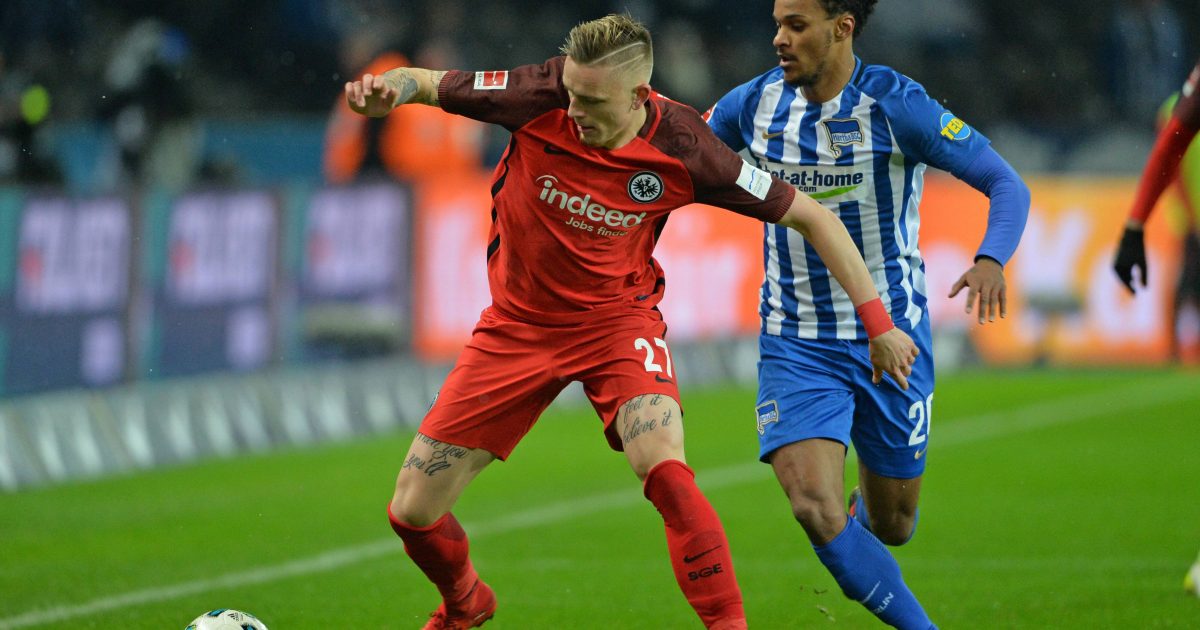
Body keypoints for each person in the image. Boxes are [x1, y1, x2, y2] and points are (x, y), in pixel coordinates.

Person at [345, 13, 918, 630]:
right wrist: (388, 92)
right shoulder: (534, 94)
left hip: (617, 326)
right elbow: (424, 81)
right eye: (571, 94)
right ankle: (466, 604)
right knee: (410, 512)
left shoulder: (686, 145)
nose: (576, 111)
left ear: (640, 95)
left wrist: (877, 322)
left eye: (592, 101)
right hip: (516, 328)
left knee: (666, 470)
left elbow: (815, 217)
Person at [703, 1, 1029, 627]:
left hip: (893, 339)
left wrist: (991, 258)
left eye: (796, 25)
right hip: (794, 336)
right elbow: (677, 163)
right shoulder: (751, 104)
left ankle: (862, 536)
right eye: (777, 22)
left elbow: (1005, 181)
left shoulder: (897, 105)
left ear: (842, 27)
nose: (779, 38)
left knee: (893, 523)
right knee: (811, 505)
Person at [1113, 59, 1200, 359]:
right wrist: (1134, 226)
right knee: (1188, 281)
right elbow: (1170, 149)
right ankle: (1174, 348)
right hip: (1191, 216)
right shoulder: (1175, 106)